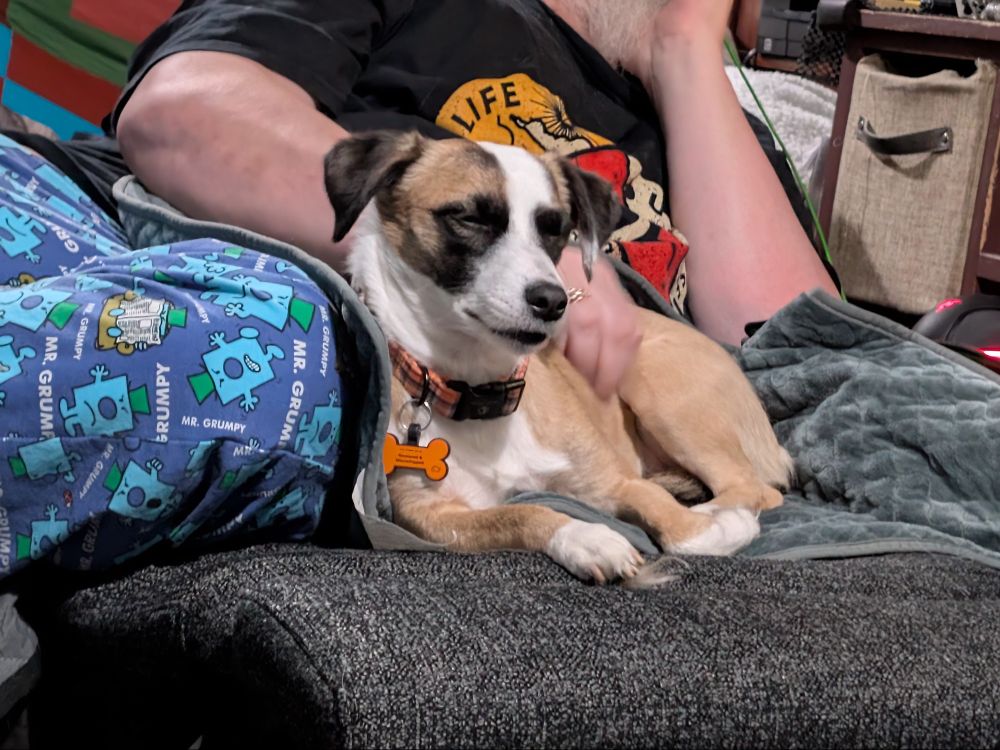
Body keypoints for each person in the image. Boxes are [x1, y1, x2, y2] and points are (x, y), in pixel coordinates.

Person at [0, 0, 837, 580]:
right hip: (108, 213)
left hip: (468, 376)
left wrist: (686, 46)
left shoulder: (696, 111)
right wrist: (574, 273)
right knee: (234, 354)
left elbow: (804, 336)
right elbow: (180, 114)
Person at [9, 0, 837, 398]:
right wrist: (539, 275)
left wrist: (683, 45)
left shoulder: (709, 136)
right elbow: (186, 112)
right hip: (166, 270)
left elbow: (807, 360)